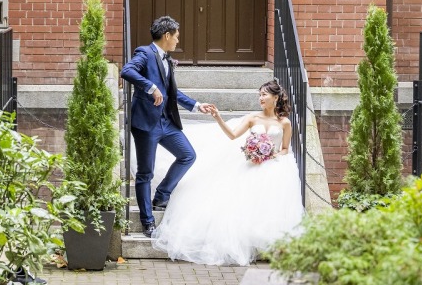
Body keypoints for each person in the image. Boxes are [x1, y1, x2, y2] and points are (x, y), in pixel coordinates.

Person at [149, 80, 305, 265]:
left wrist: (270, 155)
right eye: (259, 95)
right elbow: (232, 135)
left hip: (272, 164)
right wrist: (218, 118)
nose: (260, 98)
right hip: (252, 163)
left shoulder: (285, 122)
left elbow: (285, 148)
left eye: (264, 94)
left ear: (276, 97)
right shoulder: (252, 118)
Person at [121, 16, 210, 238]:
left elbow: (171, 93)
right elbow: (127, 71)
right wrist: (150, 87)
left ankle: (161, 195)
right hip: (146, 124)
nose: (178, 41)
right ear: (167, 35)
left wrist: (197, 105)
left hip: (166, 123)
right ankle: (147, 221)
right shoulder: (144, 53)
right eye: (176, 36)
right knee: (145, 172)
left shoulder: (167, 59)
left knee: (187, 155)